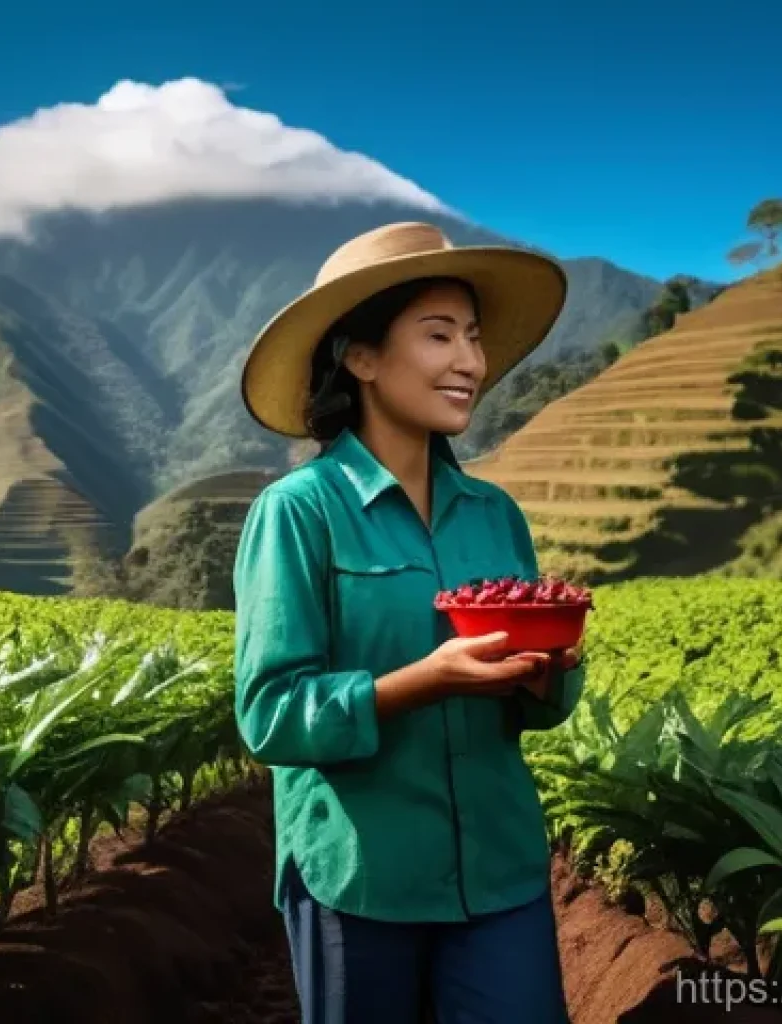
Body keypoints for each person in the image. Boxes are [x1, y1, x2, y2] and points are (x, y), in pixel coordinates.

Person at [232, 222, 586, 1023]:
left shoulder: (495, 516)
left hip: (499, 869)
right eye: (438, 336)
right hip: (361, 876)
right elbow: (269, 714)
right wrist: (421, 683)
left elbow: (544, 710)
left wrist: (550, 670)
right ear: (360, 357)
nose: (470, 361)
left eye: (473, 337)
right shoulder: (299, 513)